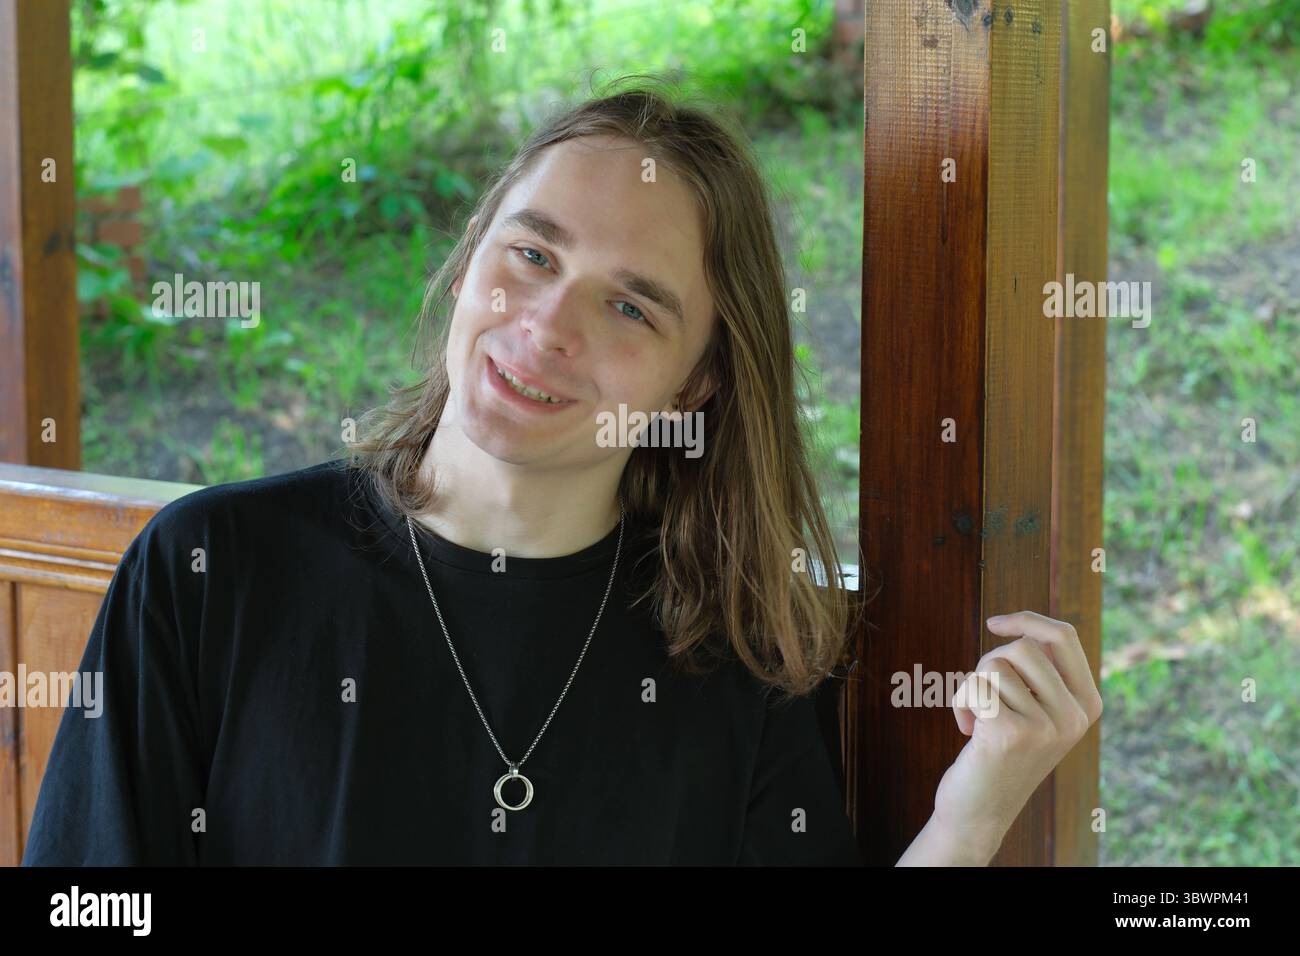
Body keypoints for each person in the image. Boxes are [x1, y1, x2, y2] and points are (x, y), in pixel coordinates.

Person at [22, 78, 1100, 867]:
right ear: (468, 261)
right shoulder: (212, 569)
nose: (545, 327)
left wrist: (975, 809)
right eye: (530, 254)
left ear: (697, 386)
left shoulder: (738, 659)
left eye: (630, 304)